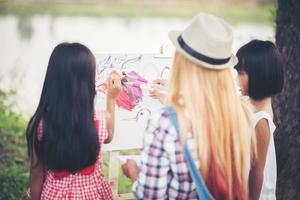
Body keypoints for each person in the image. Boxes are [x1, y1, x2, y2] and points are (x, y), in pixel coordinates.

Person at [122, 13, 253, 199]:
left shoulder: (165, 122)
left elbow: (151, 195)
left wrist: (133, 172)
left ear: (182, 61)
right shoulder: (241, 111)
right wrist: (172, 92)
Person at [26, 43, 122, 200]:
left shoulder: (39, 123)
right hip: (92, 195)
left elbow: (36, 173)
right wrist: (111, 99)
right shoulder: (101, 118)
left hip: (54, 195)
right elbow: (109, 136)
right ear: (87, 82)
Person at [235, 40, 284, 200]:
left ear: (259, 75)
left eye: (241, 73)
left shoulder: (261, 120)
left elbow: (257, 173)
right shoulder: (252, 103)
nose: (237, 79)